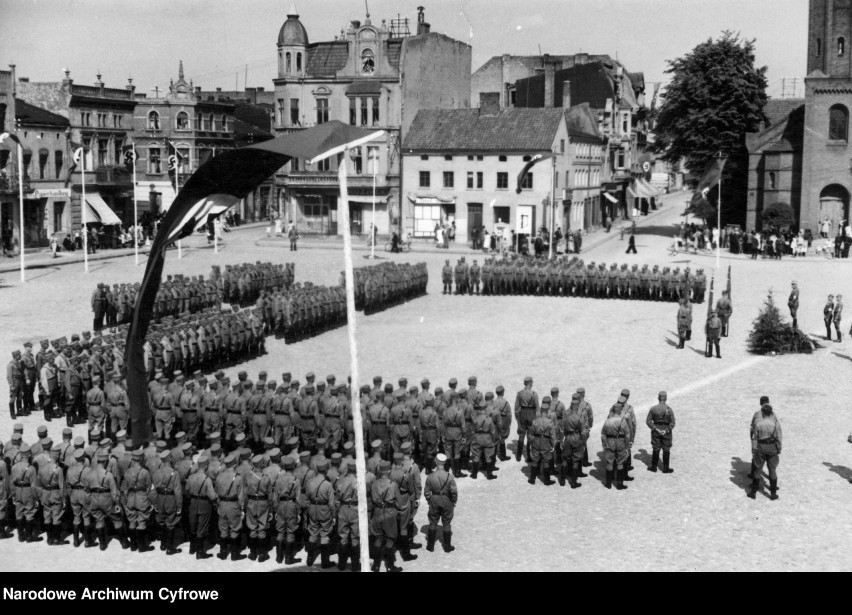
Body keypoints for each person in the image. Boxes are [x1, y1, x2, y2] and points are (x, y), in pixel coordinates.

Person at [424, 453, 457, 553]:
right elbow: (454, 491)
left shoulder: (430, 476)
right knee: (446, 522)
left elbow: (426, 491)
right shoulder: (449, 476)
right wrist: (453, 501)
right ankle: (447, 547)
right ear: (445, 462)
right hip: (447, 500)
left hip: (434, 498)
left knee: (433, 521)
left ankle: (430, 546)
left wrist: (430, 500)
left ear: (436, 461)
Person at [749, 403, 782, 500]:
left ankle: (753, 492)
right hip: (772, 448)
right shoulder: (775, 424)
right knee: (772, 470)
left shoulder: (758, 424)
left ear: (762, 413)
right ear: (771, 413)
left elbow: (755, 438)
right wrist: (779, 448)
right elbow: (779, 437)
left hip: (761, 448)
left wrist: (754, 449)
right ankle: (773, 493)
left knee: (758, 469)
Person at [646, 391, 675, 473]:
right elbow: (673, 423)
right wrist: (666, 430)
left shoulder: (653, 409)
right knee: (666, 449)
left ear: (658, 398)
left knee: (656, 448)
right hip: (666, 431)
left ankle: (654, 467)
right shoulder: (669, 410)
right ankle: (665, 468)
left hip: (656, 430)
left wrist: (655, 428)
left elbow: (648, 421)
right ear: (665, 399)